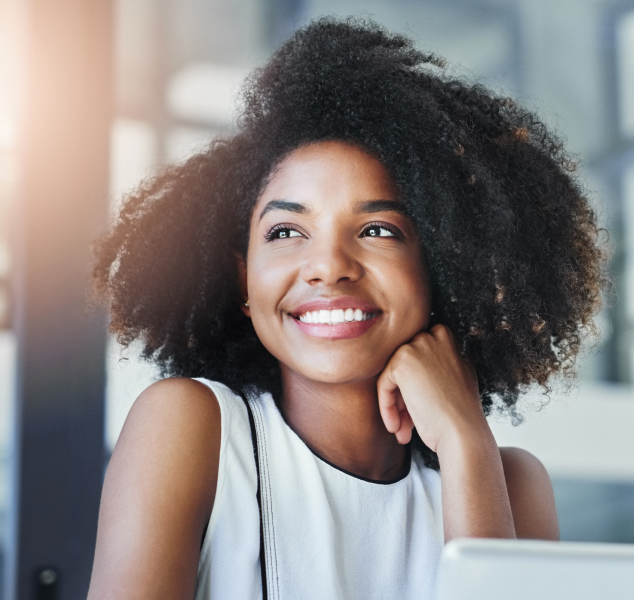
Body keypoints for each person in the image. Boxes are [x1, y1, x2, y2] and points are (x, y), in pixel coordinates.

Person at [86, 18, 607, 600]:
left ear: (445, 267)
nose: (327, 265)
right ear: (242, 278)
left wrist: (465, 445)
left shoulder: (510, 483)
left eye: (378, 229)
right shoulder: (191, 429)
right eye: (286, 231)